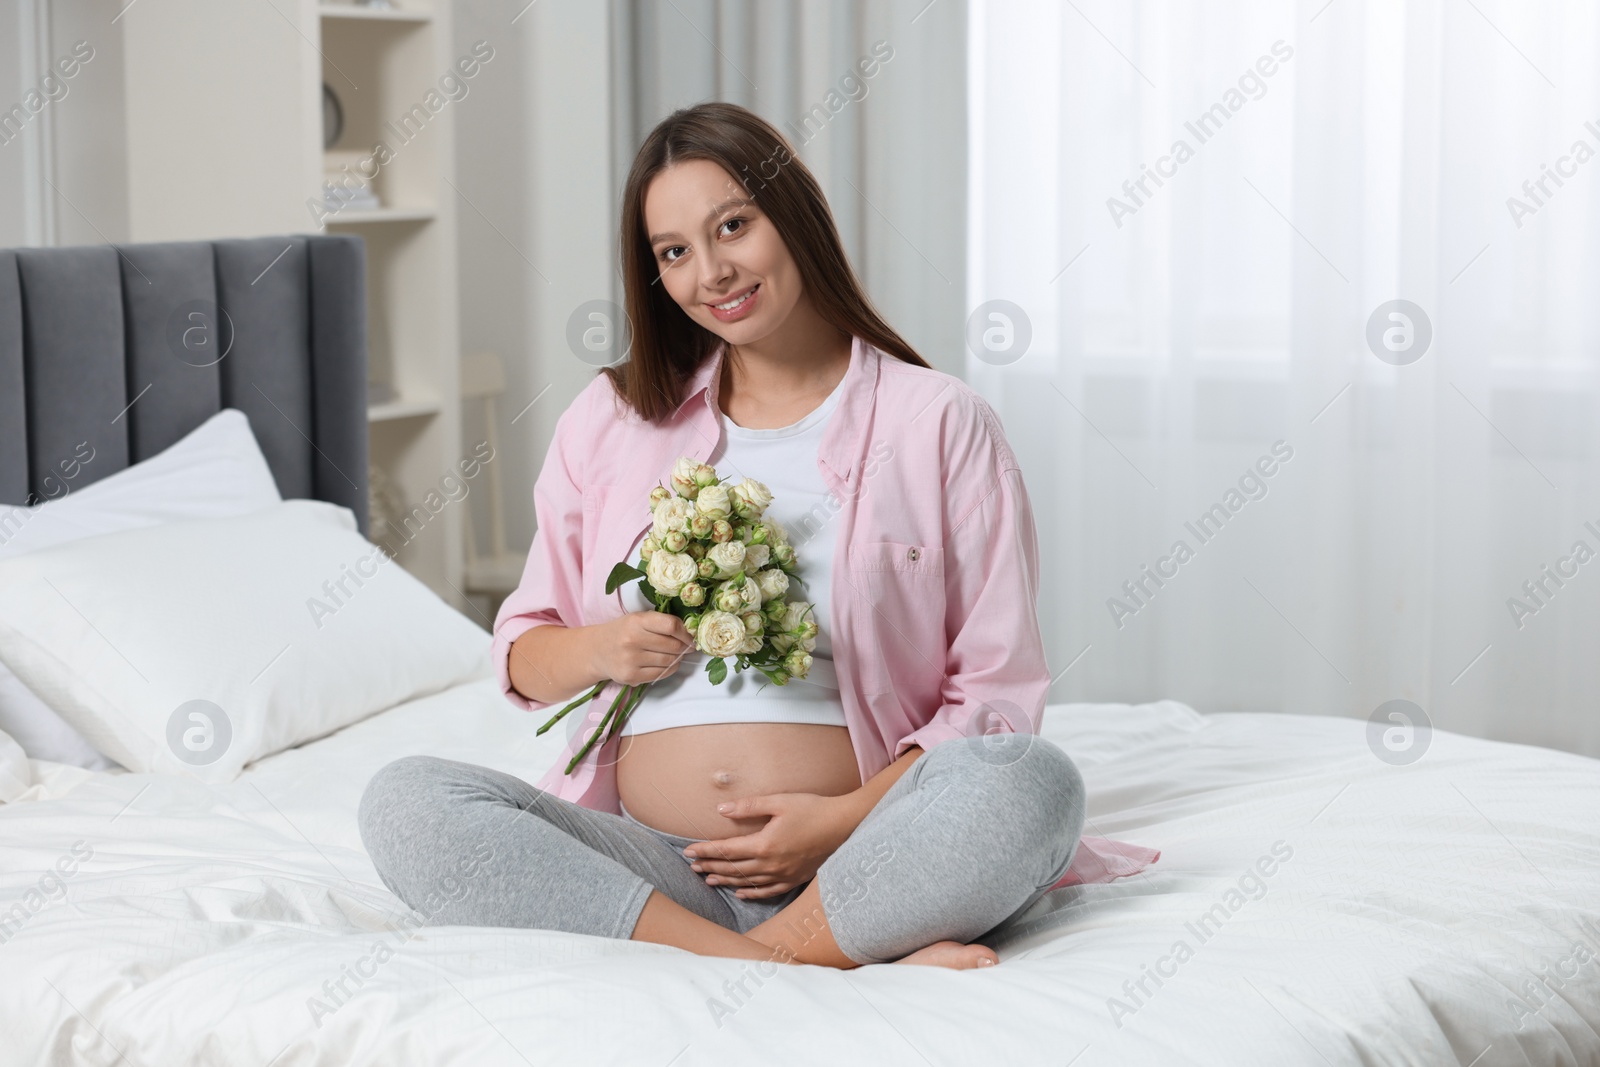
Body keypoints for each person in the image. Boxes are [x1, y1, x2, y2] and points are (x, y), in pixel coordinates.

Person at [359, 101, 1138, 971]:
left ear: (793, 215)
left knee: (1033, 782)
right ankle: (796, 962)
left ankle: (796, 938)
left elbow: (994, 695)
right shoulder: (612, 419)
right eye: (675, 252)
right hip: (660, 869)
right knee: (406, 802)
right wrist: (607, 647)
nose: (713, 271)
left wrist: (843, 820)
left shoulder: (940, 421)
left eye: (734, 225)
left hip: (863, 852)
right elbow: (523, 654)